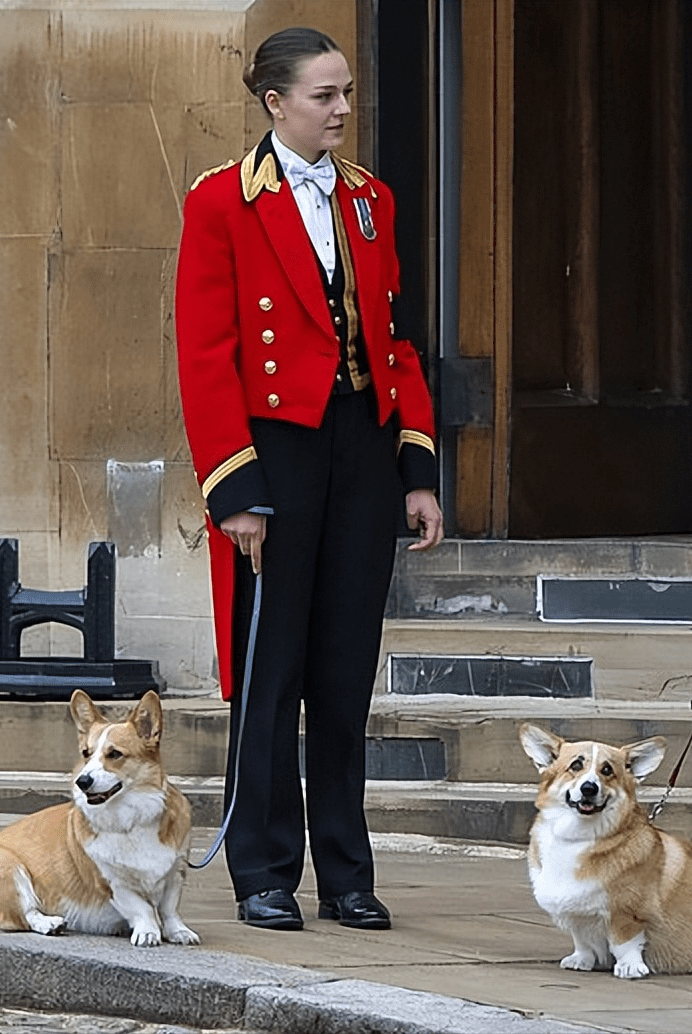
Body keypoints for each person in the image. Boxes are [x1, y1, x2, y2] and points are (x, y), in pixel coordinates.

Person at [175, 26, 443, 932]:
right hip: (272, 457)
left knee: (341, 673)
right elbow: (205, 357)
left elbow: (395, 342)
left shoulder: (370, 199)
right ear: (274, 102)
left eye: (345, 93)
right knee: (269, 670)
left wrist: (415, 468)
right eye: (324, 95)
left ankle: (347, 874)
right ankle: (261, 868)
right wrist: (233, 490)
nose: (341, 109)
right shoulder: (221, 200)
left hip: (360, 451)